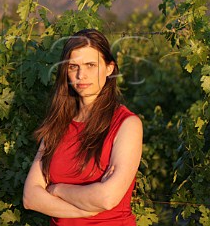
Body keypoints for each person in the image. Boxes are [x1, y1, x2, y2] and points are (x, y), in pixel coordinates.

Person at [23, 29, 143, 225]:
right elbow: (30, 198)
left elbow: (107, 198)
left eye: (90, 65)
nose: (81, 75)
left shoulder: (127, 124)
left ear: (109, 68)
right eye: (73, 67)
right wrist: (86, 209)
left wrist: (56, 189)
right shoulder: (58, 123)